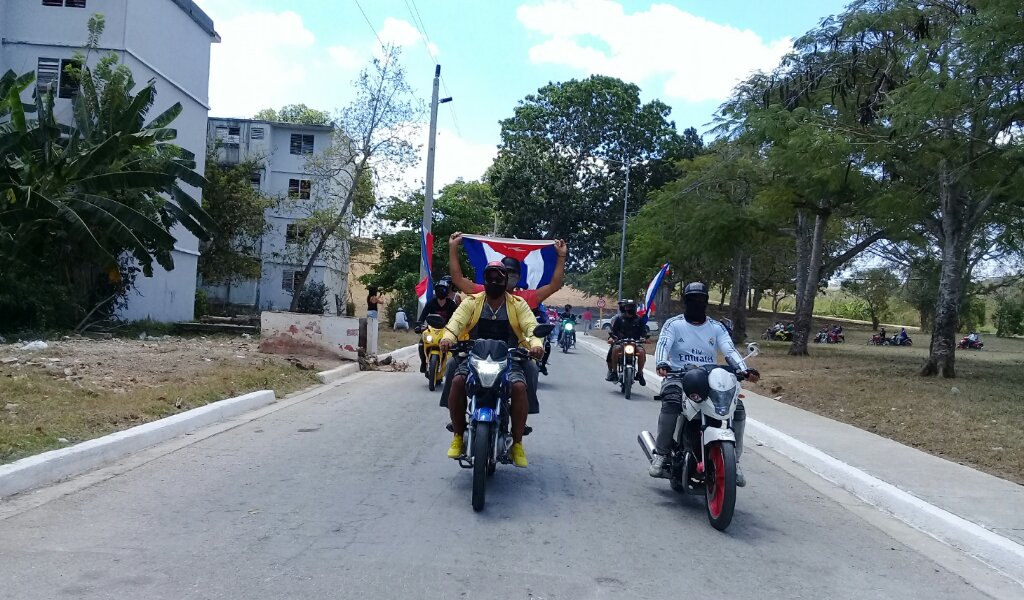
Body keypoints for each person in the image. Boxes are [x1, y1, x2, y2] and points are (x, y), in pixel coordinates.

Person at [649, 282, 760, 486]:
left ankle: (733, 461)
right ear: (685, 301)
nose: (697, 303)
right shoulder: (673, 324)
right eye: (692, 299)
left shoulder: (716, 327)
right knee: (672, 401)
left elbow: (729, 350)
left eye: (701, 299)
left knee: (737, 409)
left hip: (709, 377)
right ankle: (662, 454)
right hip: (678, 375)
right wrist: (662, 363)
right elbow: (663, 345)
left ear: (706, 302)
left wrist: (743, 369)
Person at [439, 262, 545, 468]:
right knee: (457, 378)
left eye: (499, 279)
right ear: (484, 280)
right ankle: (458, 435)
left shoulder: (518, 304)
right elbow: (455, 323)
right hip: (473, 358)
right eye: (490, 278)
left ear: (506, 282)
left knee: (519, 386)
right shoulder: (471, 302)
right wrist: (447, 337)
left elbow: (531, 327)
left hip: (509, 360)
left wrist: (536, 344)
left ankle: (517, 443)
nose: (494, 282)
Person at [447, 232, 568, 310]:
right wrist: (453, 247)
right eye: (505, 273)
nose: (509, 277)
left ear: (519, 278)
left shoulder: (524, 299)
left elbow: (554, 286)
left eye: (513, 274)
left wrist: (561, 256)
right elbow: (457, 279)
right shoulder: (483, 292)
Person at [414, 280, 460, 374]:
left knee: (455, 348)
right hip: (432, 330)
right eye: (439, 289)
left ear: (447, 291)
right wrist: (419, 325)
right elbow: (423, 316)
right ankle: (423, 362)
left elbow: (457, 318)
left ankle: (454, 368)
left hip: (447, 331)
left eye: (443, 289)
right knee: (421, 343)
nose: (441, 291)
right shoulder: (431, 303)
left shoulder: (451, 305)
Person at [606, 299, 650, 385]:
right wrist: (612, 338)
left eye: (632, 306)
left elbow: (643, 331)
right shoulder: (619, 318)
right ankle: (614, 372)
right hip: (621, 343)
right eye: (628, 307)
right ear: (625, 308)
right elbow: (614, 330)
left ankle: (640, 373)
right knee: (615, 349)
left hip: (635, 343)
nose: (630, 308)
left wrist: (644, 338)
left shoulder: (639, 319)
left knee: (641, 352)